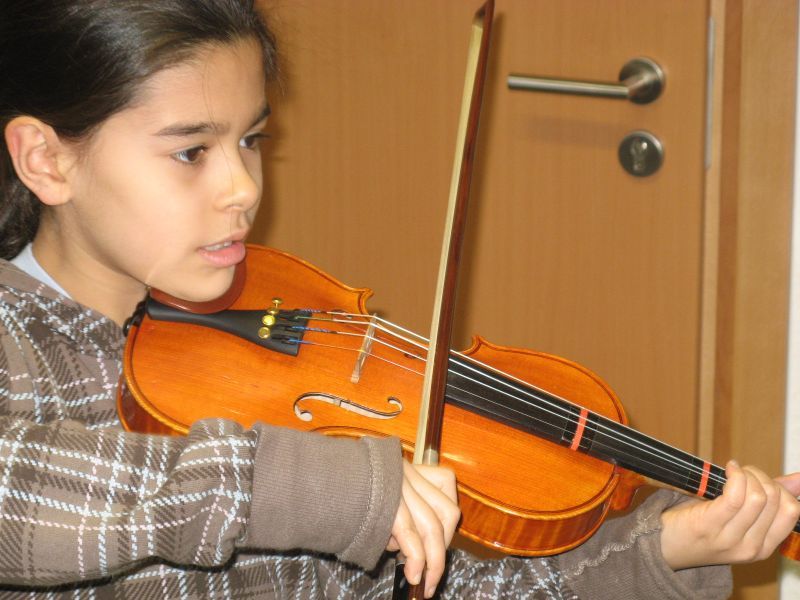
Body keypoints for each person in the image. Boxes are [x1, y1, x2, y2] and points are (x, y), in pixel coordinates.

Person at [0, 1, 798, 598]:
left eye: (251, 140)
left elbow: (433, 583)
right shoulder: (16, 342)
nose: (243, 187)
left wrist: (659, 555)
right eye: (191, 151)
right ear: (47, 159)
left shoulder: (286, 330)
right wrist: (309, 490)